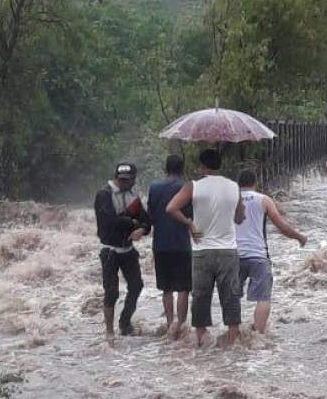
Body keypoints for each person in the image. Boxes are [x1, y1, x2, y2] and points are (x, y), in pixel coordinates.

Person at [166, 148, 245, 347]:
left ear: (202, 166)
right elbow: (239, 218)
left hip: (202, 250)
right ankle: (233, 335)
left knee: (201, 295)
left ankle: (201, 337)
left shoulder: (193, 186)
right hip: (228, 250)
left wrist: (190, 223)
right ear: (220, 165)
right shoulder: (234, 186)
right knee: (231, 294)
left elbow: (171, 208)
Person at [236, 169, 308, 334]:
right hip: (258, 255)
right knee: (263, 298)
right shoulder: (264, 199)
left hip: (234, 256)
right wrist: (299, 237)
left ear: (238, 183)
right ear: (255, 183)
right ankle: (259, 336)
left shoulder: (230, 200)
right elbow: (281, 225)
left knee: (233, 297)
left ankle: (234, 333)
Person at [94, 162, 151, 339]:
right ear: (116, 177)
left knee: (136, 286)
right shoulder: (104, 194)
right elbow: (108, 220)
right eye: (122, 180)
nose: (125, 183)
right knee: (111, 292)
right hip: (110, 250)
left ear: (134, 180)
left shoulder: (133, 196)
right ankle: (109, 331)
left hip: (128, 250)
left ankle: (124, 322)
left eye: (128, 180)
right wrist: (132, 223)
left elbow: (146, 222)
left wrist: (141, 229)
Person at [147, 154, 193, 336]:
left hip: (160, 244)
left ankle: (169, 323)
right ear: (182, 169)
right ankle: (180, 325)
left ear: (165, 168)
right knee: (183, 288)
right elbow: (191, 217)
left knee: (166, 288)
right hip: (181, 243)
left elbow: (150, 215)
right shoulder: (187, 187)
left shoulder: (154, 187)